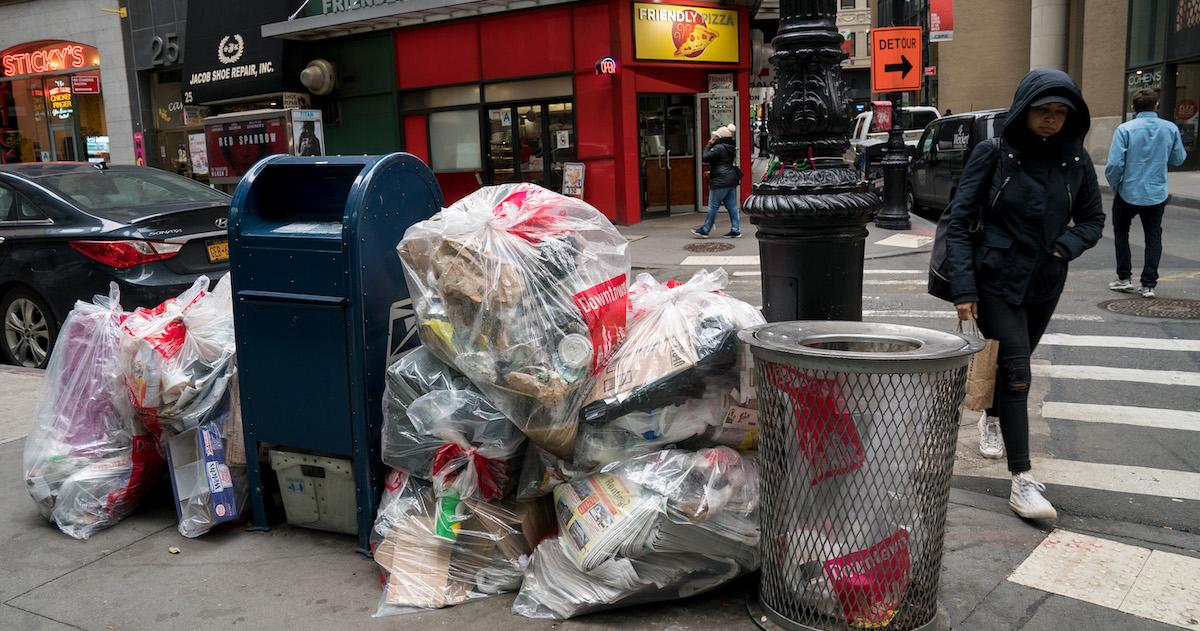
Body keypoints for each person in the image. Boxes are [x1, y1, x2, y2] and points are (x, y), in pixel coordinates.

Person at [944, 69, 1105, 521]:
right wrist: (964, 289)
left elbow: (1093, 220)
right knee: (1018, 369)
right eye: (1043, 111)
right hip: (996, 278)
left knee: (1015, 366)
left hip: (1044, 282)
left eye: (1060, 113)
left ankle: (992, 418)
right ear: (1024, 110)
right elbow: (959, 223)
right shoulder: (993, 153)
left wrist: (1063, 246)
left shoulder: (1076, 161)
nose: (1051, 120)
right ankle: (1022, 480)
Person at [1104, 88, 1188, 299]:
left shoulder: (1125, 129)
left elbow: (1114, 164)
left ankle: (1124, 278)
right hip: (1156, 192)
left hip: (1128, 191)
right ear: (1156, 105)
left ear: (1133, 107)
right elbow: (1178, 159)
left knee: (1121, 232)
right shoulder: (1170, 129)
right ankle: (1148, 284)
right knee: (1153, 236)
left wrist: (1116, 185)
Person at [692, 124, 741, 239]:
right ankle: (735, 229)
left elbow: (705, 157)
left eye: (716, 137)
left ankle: (705, 230)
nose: (714, 138)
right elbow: (723, 163)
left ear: (720, 138)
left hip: (720, 180)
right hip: (730, 179)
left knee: (713, 206)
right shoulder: (730, 146)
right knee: (732, 206)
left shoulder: (719, 148)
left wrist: (708, 145)